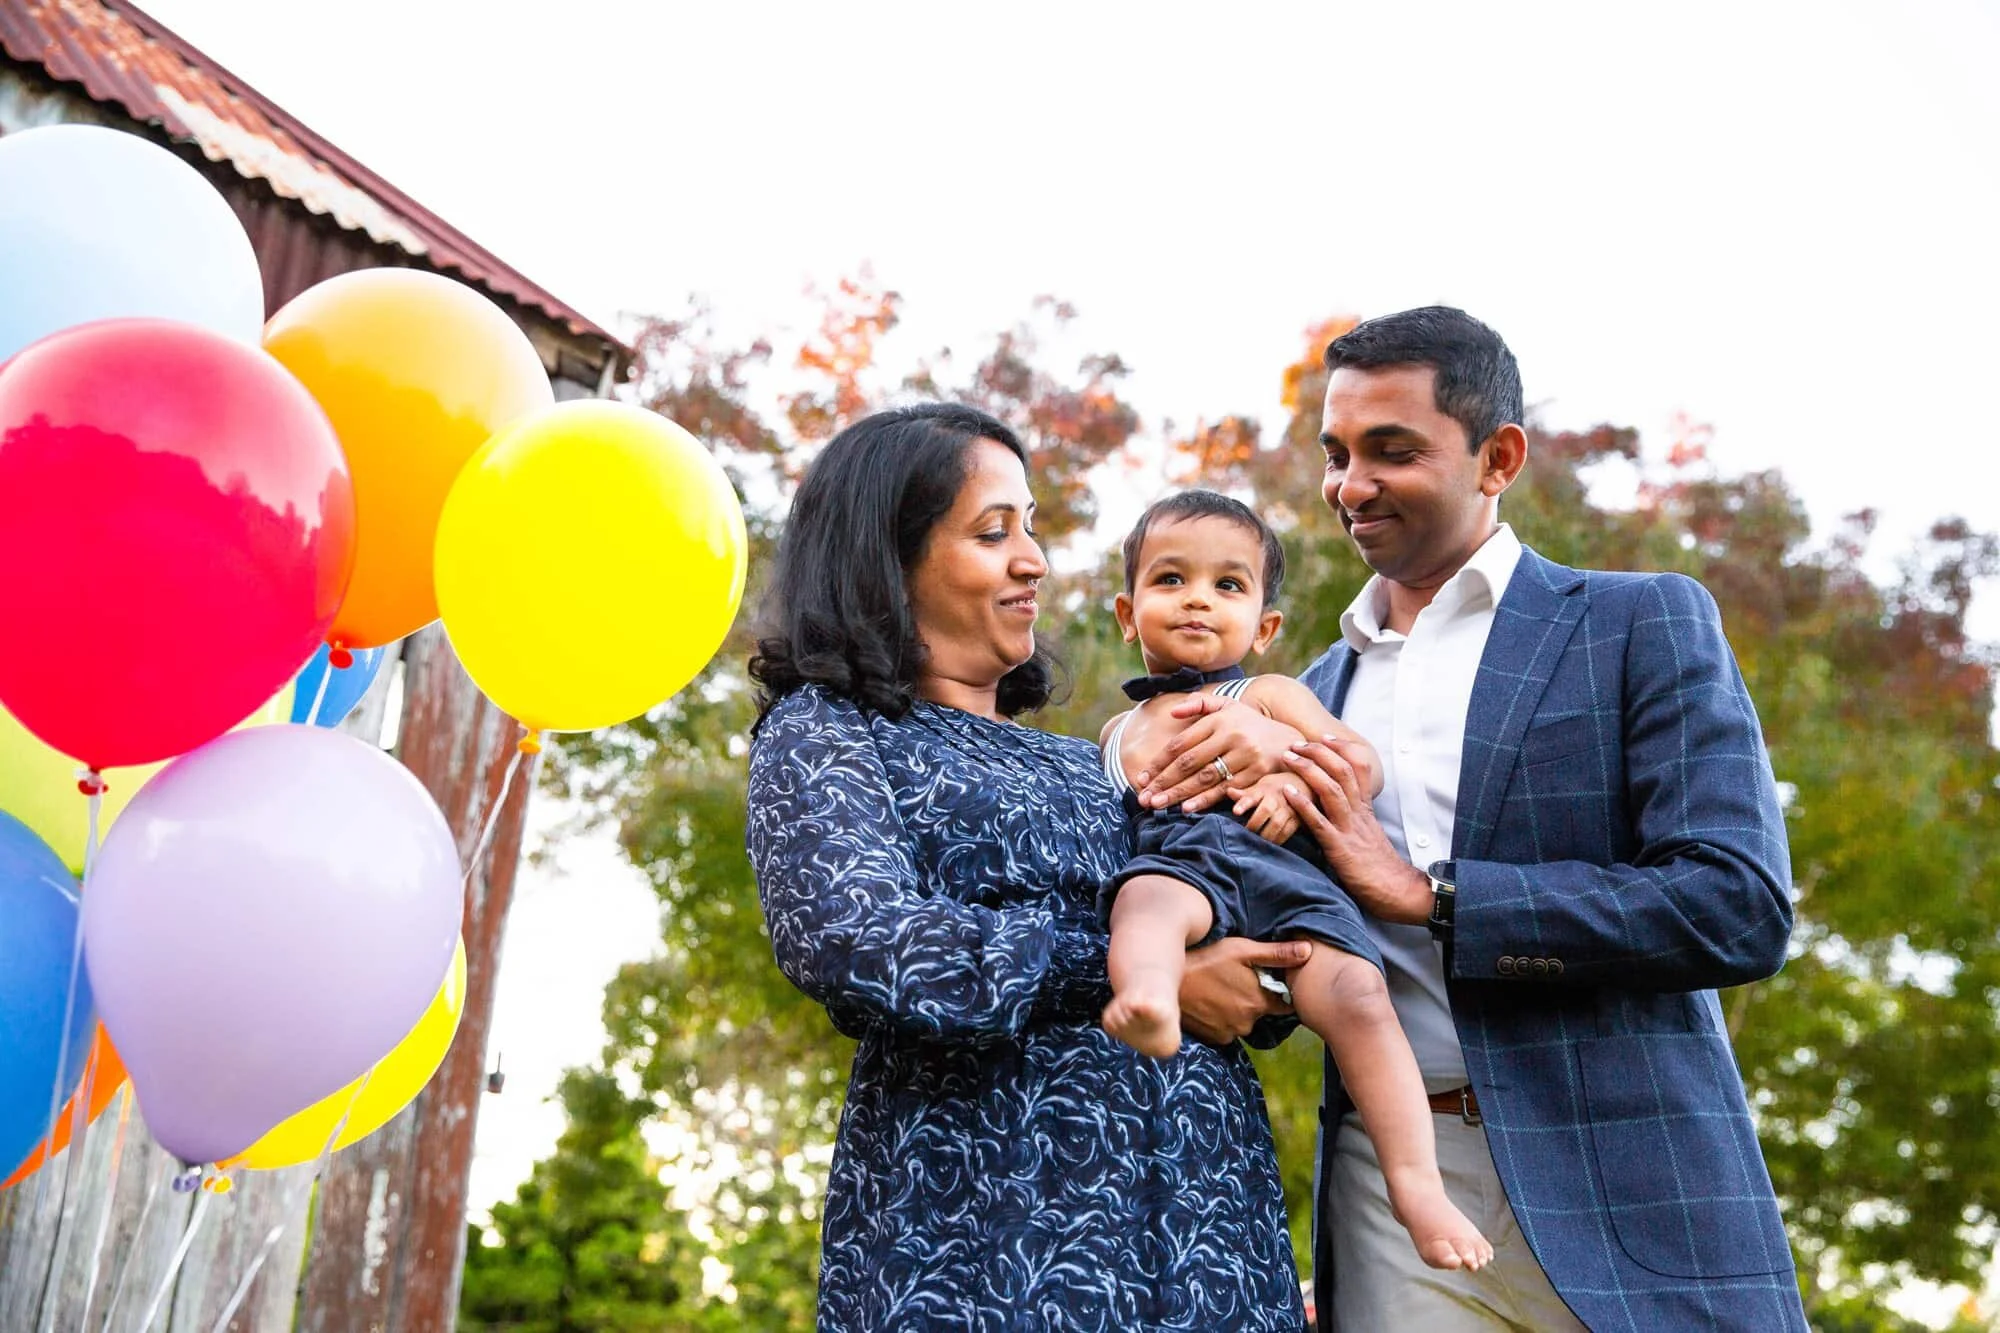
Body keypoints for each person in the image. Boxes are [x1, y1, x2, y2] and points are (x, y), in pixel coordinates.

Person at [1130, 308, 1807, 1331]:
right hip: (1386, 1194)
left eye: (1391, 451)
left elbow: (1735, 906)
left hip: (1630, 1176)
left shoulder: (1639, 622)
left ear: (1498, 458)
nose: (1351, 485)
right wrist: (1219, 969)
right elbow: (1280, 928)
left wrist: (1430, 895)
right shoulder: (1299, 695)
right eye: (1337, 454)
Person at [744, 404, 1307, 1331]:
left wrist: (1273, 971)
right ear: (889, 555)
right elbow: (859, 939)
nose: (1034, 560)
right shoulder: (827, 730)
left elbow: (1239, 906)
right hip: (990, 1231)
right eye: (993, 531)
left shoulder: (1093, 762)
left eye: (1031, 528)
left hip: (1205, 1227)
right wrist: (1125, 973)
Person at [1096, 489, 1492, 1273]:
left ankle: (1418, 1186)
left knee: (1360, 996)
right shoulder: (1114, 733)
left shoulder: (1267, 695)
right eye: (1170, 579)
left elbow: (1361, 764)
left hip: (1288, 881)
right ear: (1127, 613)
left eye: (1227, 584)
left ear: (1265, 628)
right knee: (1143, 905)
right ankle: (1148, 994)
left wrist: (1289, 767)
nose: (1198, 598)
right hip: (1184, 869)